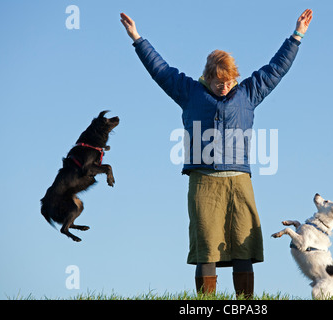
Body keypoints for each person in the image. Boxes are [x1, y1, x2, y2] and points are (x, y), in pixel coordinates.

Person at [120, 9, 313, 298]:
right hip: (203, 182)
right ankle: (206, 304)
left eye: (228, 82)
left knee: (243, 247)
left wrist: (297, 35)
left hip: (239, 182)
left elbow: (276, 69)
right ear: (207, 78)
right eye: (218, 82)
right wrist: (137, 38)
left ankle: (244, 303)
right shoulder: (189, 92)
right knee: (206, 248)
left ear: (235, 78)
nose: (224, 87)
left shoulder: (249, 93)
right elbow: (160, 70)